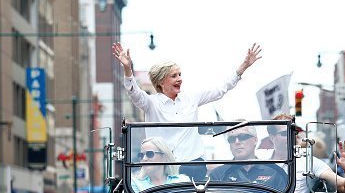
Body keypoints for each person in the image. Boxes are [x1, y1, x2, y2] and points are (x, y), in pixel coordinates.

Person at [112, 42, 262, 180]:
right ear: (161, 81)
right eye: (174, 76)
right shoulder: (151, 103)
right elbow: (134, 93)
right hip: (164, 167)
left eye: (180, 74)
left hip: (193, 165)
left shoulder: (191, 98)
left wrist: (243, 67)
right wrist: (127, 69)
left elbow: (220, 90)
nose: (180, 79)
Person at [269, 114, 345, 193]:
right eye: (284, 133)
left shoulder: (309, 162)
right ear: (272, 137)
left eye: (293, 132)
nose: (290, 136)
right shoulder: (260, 160)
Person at [120, 137, 189, 193]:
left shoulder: (182, 180)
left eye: (150, 154)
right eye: (141, 155)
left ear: (164, 157)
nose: (144, 159)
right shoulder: (133, 183)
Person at [210, 126, 287, 189]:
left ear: (255, 140)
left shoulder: (275, 172)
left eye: (242, 137)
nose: (237, 142)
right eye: (232, 139)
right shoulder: (218, 175)